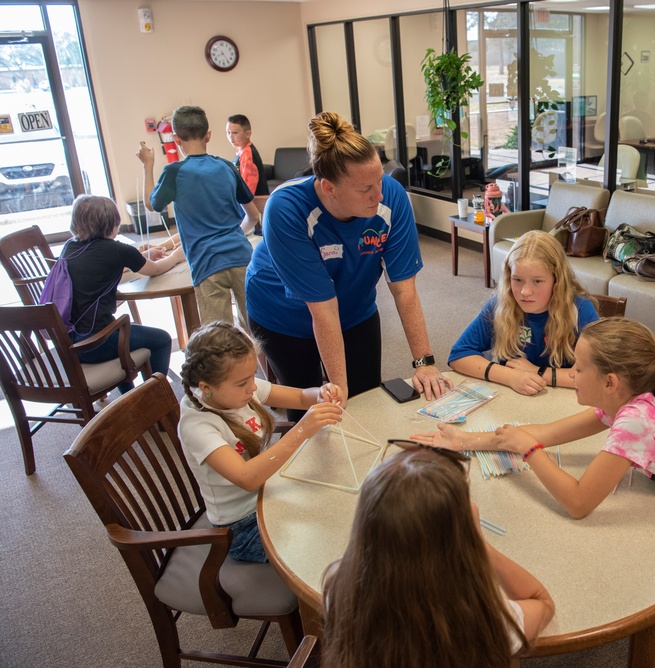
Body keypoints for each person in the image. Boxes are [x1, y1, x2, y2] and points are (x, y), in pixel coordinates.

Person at [412, 317, 655, 668]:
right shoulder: (630, 400)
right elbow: (542, 433)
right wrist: (465, 439)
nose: (571, 373)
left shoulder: (635, 423)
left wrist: (528, 452)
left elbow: (579, 502)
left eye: (578, 368)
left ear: (609, 382)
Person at [245, 111, 451, 418]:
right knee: (313, 409)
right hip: (283, 315)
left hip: (354, 308)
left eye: (379, 181)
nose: (378, 195)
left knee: (366, 401)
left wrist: (425, 363)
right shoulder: (286, 208)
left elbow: (404, 290)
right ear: (329, 188)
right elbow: (323, 310)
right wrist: (338, 394)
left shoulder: (391, 198)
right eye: (365, 189)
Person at [321, 442, 555, 668]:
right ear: (456, 538)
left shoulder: (338, 585)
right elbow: (542, 602)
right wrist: (479, 542)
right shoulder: (488, 619)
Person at [178, 321, 343, 563]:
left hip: (270, 494)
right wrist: (301, 431)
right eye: (243, 383)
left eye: (252, 376)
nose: (253, 387)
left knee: (338, 506)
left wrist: (320, 393)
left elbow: (299, 396)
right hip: (242, 527)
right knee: (325, 545)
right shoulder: (197, 425)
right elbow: (247, 478)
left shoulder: (239, 389)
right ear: (206, 388)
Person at [137, 105, 261, 328]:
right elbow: (253, 216)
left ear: (176, 139)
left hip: (207, 264)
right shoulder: (226, 166)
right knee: (257, 330)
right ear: (209, 135)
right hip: (242, 257)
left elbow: (150, 204)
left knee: (219, 341)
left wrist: (148, 165)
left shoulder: (174, 172)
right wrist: (232, 235)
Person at [449, 230, 599, 395]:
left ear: (557, 281)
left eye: (537, 281)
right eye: (517, 280)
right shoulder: (502, 303)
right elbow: (459, 355)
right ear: (508, 277)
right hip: (514, 398)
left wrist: (539, 372)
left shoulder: (581, 309)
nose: (525, 292)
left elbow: (597, 374)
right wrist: (509, 376)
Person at [63, 194, 185, 394]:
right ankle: (156, 396)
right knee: (161, 339)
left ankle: (129, 397)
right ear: (112, 223)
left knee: (120, 331)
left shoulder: (70, 247)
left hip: (72, 343)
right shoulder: (116, 249)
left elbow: (99, 267)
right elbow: (156, 270)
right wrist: (177, 256)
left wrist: (143, 256)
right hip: (99, 342)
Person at [226, 113, 270, 227]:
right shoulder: (241, 152)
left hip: (252, 209)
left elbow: (248, 189)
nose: (231, 137)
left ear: (248, 134)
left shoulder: (247, 154)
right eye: (228, 132)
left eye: (235, 132)